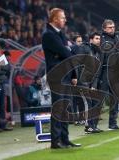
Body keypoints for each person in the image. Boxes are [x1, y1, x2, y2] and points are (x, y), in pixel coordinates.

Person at [42, 8, 81, 149]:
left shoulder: (60, 34)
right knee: (58, 108)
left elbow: (68, 54)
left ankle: (65, 139)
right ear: (55, 19)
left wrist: (74, 75)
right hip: (57, 76)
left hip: (65, 75)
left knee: (66, 108)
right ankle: (55, 141)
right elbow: (67, 52)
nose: (65, 20)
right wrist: (66, 52)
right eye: (63, 17)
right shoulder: (48, 35)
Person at [0, 42, 13, 132]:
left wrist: (0, 68)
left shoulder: (2, 57)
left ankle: (2, 125)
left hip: (2, 83)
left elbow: (8, 68)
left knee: (2, 106)